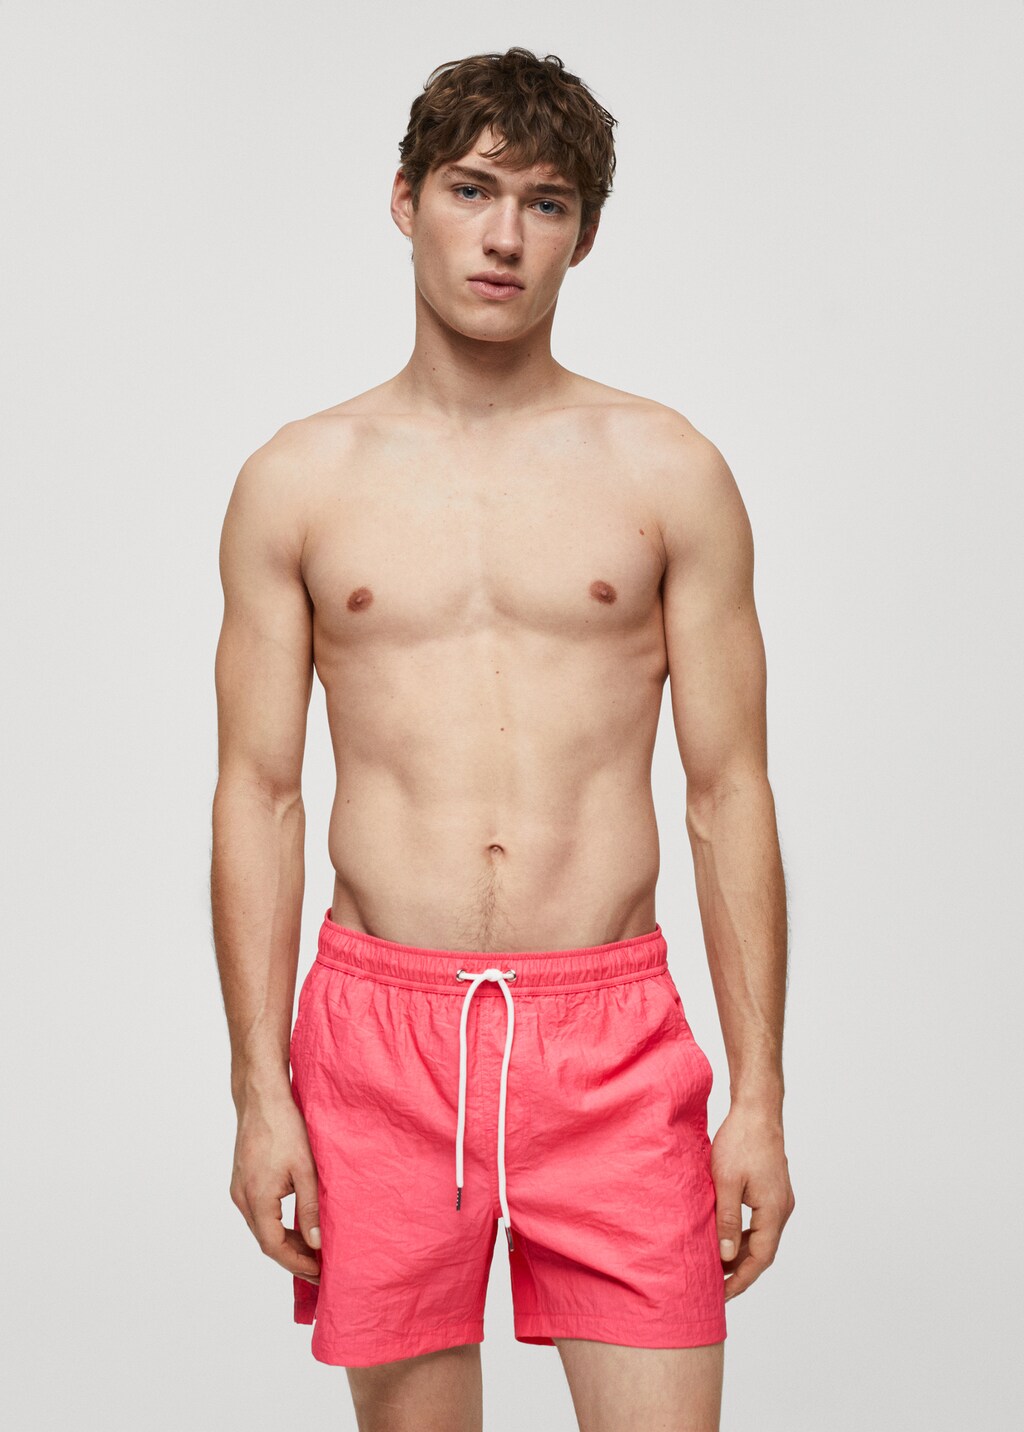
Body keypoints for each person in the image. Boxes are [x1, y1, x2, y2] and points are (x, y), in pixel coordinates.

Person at [211, 46, 794, 1432]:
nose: (502, 236)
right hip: (377, 1042)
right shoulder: (298, 480)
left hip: (612, 1044)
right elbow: (259, 795)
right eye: (471, 189)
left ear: (582, 235)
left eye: (544, 203)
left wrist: (761, 1099)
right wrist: (258, 1094)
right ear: (404, 199)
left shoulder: (668, 471)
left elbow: (729, 791)